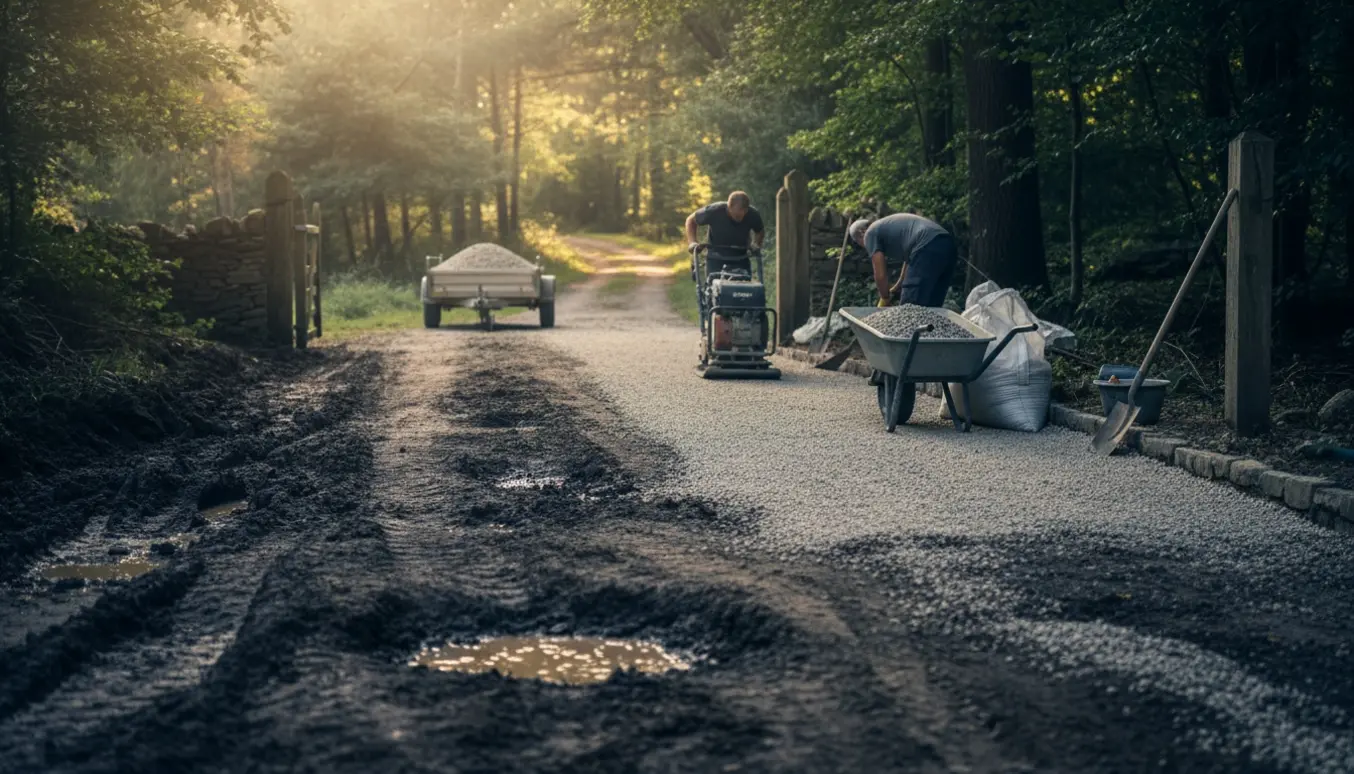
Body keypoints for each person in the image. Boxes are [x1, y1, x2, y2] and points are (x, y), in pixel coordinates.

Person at [849, 213, 957, 309]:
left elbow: (880, 274)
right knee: (932, 305)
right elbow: (909, 259)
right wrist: (899, 285)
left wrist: (885, 298)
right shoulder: (889, 227)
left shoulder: (869, 233)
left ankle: (910, 331)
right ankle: (930, 330)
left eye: (860, 244)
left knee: (910, 307)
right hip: (947, 244)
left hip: (926, 246)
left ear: (861, 233)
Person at [686, 191, 765, 279]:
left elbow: (760, 231)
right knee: (714, 287)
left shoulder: (753, 214)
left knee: (745, 289)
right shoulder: (714, 210)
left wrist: (756, 244)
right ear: (728, 207)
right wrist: (692, 242)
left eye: (742, 215)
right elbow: (691, 220)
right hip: (715, 257)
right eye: (736, 216)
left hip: (741, 258)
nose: (739, 219)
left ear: (746, 210)